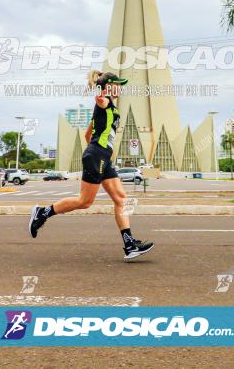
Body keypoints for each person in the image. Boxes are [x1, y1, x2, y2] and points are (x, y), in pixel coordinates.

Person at [29, 70, 154, 261]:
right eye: (117, 84)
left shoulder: (110, 110)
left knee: (122, 199)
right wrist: (100, 90)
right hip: (97, 156)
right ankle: (42, 213)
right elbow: (99, 99)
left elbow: (88, 135)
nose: (120, 88)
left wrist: (98, 152)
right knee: (85, 202)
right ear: (108, 86)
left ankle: (129, 245)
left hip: (101, 156)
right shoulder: (104, 101)